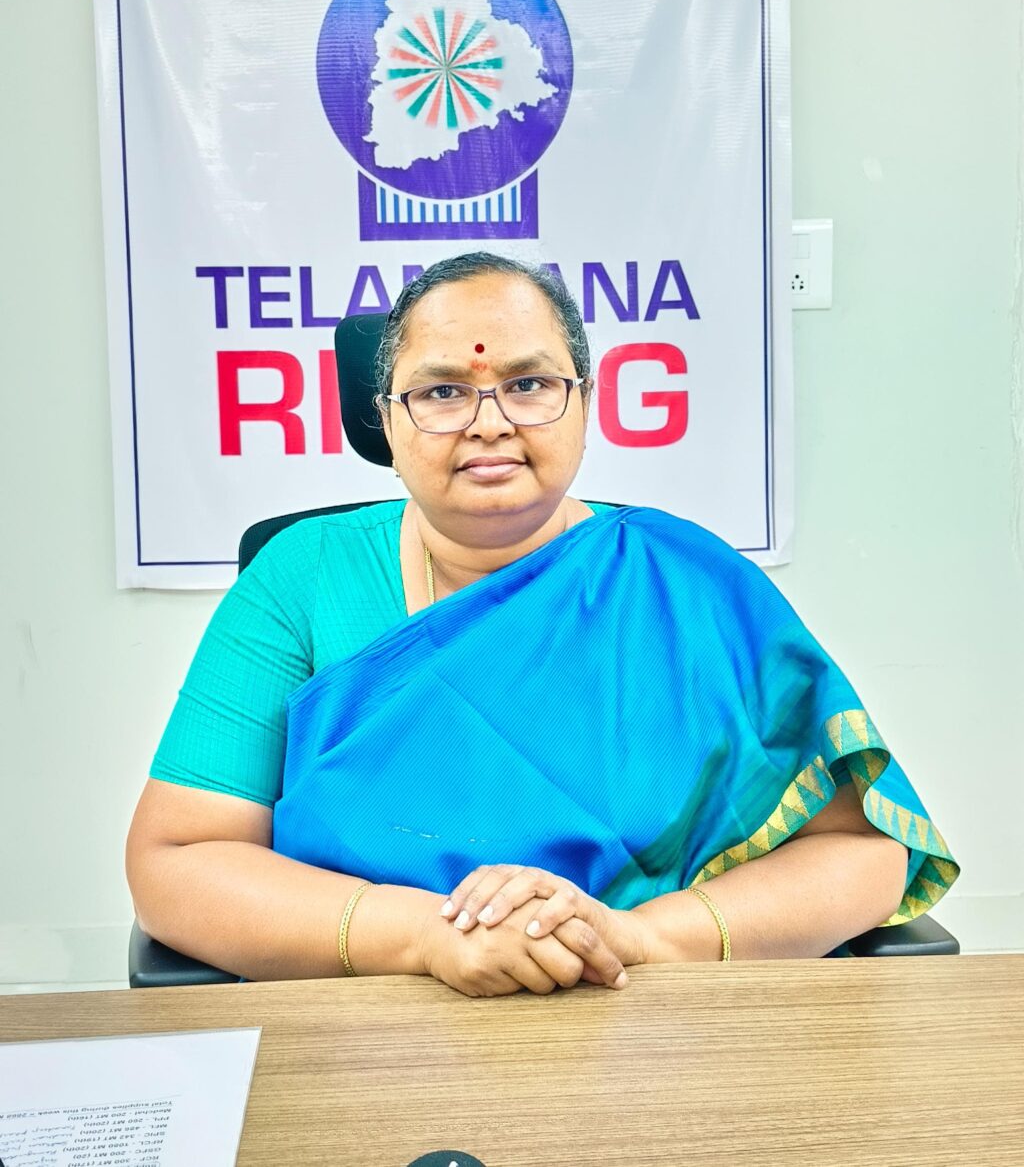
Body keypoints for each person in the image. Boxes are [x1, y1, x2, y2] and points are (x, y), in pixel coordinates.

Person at [127, 252, 958, 995]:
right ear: (386, 417)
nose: (490, 422)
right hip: (377, 1024)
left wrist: (640, 938)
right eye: (442, 392)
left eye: (528, 385)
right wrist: (423, 937)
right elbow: (178, 862)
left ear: (584, 404)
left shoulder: (685, 582)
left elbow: (864, 852)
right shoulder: (303, 580)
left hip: (657, 1022)